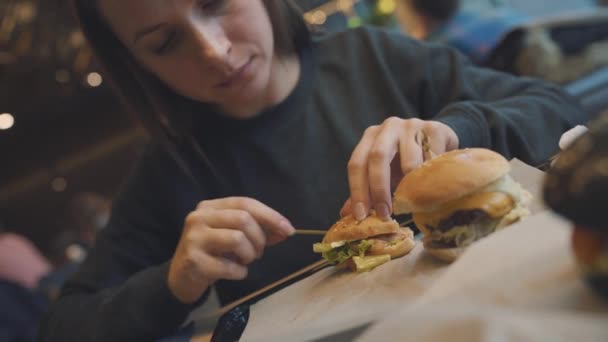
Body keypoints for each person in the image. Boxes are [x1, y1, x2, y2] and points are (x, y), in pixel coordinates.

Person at [40, 0, 588, 340]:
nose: (214, 50)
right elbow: (64, 326)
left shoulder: (373, 57)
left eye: (216, 2)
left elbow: (561, 110)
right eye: (164, 43)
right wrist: (172, 282)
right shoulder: (171, 170)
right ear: (139, 66)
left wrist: (458, 132)